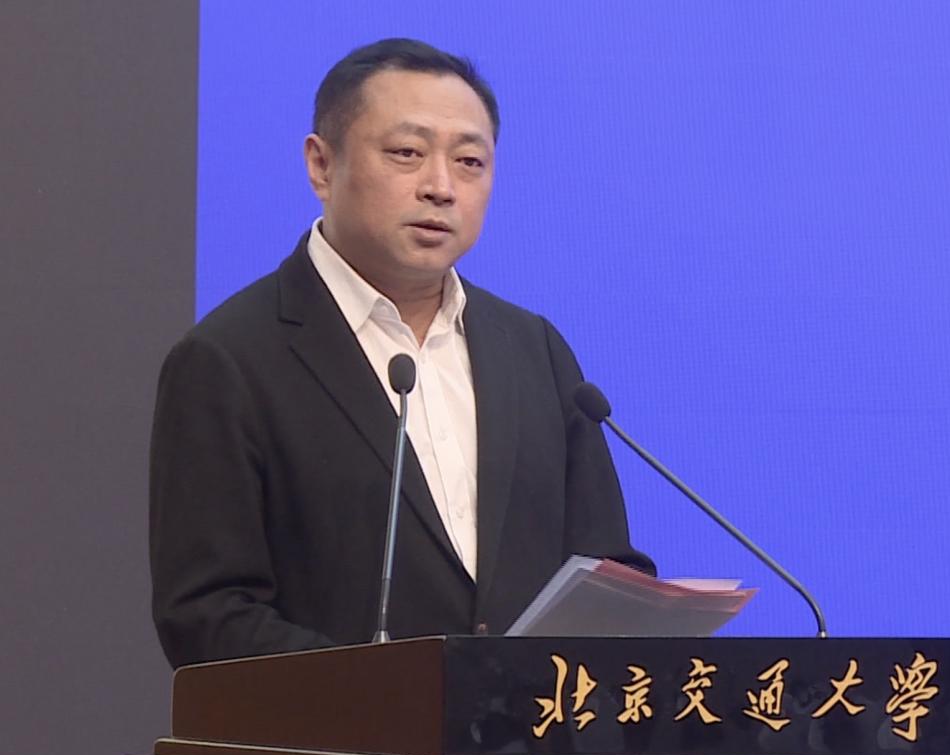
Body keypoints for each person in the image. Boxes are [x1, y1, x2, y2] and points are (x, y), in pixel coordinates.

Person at [149, 38, 654, 669]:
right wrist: (398, 692)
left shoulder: (535, 350)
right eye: (407, 154)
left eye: (469, 162)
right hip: (343, 728)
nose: (441, 187)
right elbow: (208, 619)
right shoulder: (229, 360)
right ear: (321, 165)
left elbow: (603, 567)